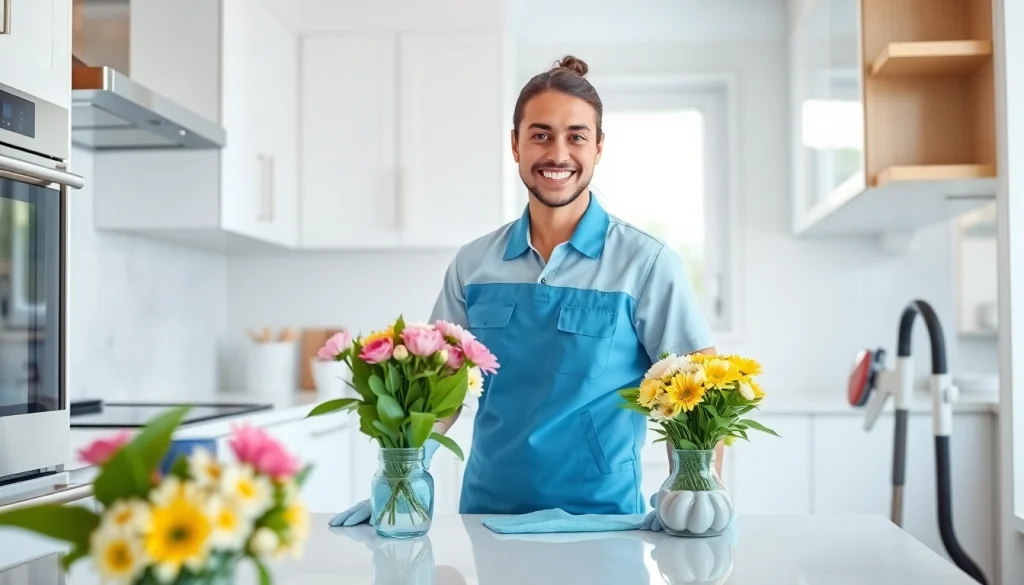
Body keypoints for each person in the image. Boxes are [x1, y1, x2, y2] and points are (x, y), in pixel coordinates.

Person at [330, 55, 716, 528]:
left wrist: (697, 492)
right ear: (515, 145)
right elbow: (436, 391)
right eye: (541, 135)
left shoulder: (646, 264)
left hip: (604, 523)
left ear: (599, 148)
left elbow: (700, 399)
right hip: (488, 516)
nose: (558, 154)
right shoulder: (473, 264)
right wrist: (402, 474)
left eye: (576, 136)